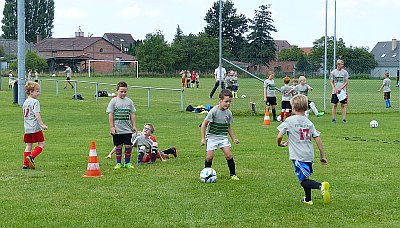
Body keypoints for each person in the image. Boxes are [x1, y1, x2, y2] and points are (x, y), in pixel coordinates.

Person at [276, 94, 331, 205]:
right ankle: (308, 199)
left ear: (293, 108)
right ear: (306, 108)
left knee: (303, 181)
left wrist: (279, 143)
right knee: (306, 176)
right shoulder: (309, 122)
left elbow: (279, 136)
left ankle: (320, 186)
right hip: (309, 155)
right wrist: (322, 156)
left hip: (298, 156)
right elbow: (318, 139)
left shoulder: (289, 120)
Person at [200, 89, 240, 180]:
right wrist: (203, 138)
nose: (228, 104)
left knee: (228, 155)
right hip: (212, 137)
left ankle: (233, 174)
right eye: (226, 101)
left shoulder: (229, 113)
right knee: (209, 157)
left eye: (230, 102)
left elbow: (228, 127)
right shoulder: (213, 111)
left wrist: (233, 139)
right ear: (220, 100)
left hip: (222, 137)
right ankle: (206, 174)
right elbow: (204, 124)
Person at [106, 81, 137, 169]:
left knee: (128, 145)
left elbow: (132, 114)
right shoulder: (113, 101)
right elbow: (111, 114)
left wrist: (134, 125)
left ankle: (127, 163)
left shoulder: (129, 101)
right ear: (117, 91)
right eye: (121, 91)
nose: (123, 93)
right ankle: (118, 163)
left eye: (125, 91)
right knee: (118, 145)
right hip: (117, 129)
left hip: (127, 128)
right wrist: (112, 127)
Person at [22, 81, 48, 169]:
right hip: (35, 127)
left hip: (27, 127)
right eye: (37, 91)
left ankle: (25, 164)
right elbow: (37, 114)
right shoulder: (35, 102)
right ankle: (31, 157)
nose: (38, 93)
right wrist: (42, 124)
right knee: (42, 144)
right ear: (30, 91)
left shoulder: (25, 102)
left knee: (28, 145)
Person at [329, 59, 349, 124]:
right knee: (334, 105)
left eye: (343, 64)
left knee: (343, 105)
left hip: (342, 92)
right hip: (335, 92)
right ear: (337, 64)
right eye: (341, 64)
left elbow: (346, 82)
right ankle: (333, 119)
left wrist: (341, 88)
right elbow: (331, 82)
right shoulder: (333, 72)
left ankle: (344, 119)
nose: (342, 65)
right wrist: (334, 88)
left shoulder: (345, 72)